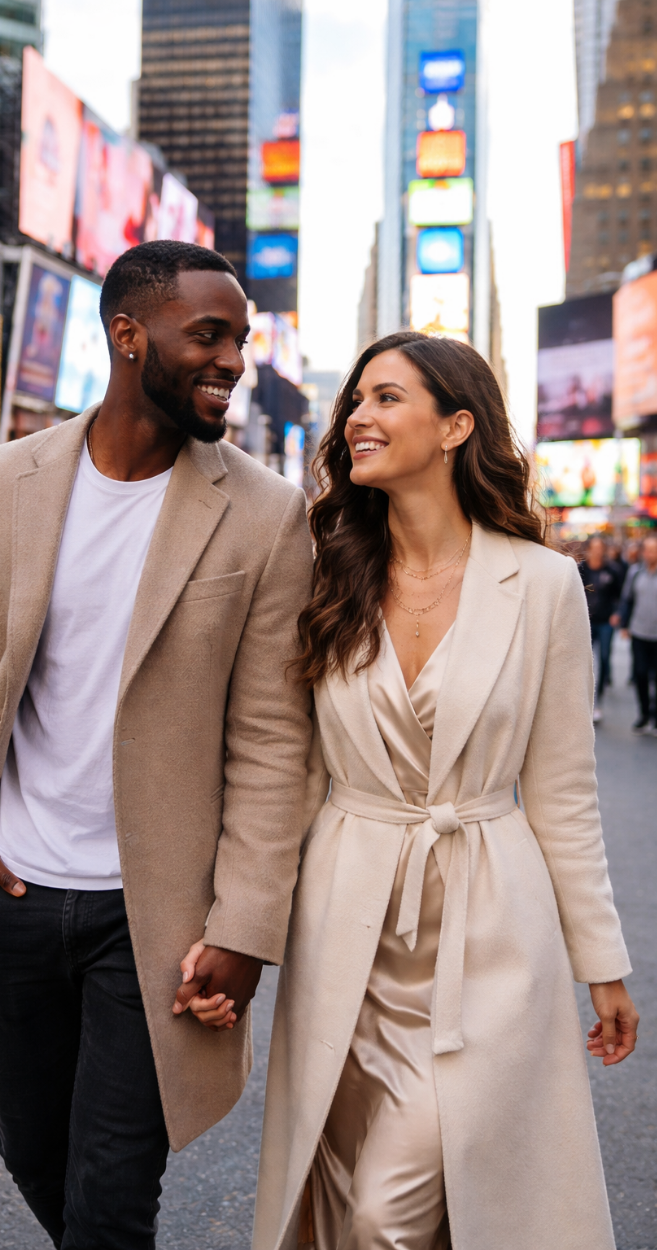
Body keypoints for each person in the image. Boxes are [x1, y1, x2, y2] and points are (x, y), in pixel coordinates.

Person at [0, 241, 314, 1249]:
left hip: (151, 922)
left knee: (110, 1202)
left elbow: (276, 741)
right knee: (39, 1159)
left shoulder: (268, 514)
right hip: (8, 894)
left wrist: (243, 926)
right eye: (208, 333)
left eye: (238, 337)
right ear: (126, 335)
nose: (230, 358)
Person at [247, 332, 637, 1250]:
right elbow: (286, 774)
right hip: (347, 925)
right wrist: (239, 929)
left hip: (491, 929)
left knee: (389, 1214)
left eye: (386, 399)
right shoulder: (322, 568)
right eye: (356, 401)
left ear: (457, 425)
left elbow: (564, 792)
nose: (358, 418)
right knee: (342, 1200)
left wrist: (602, 961)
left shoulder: (543, 585)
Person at [578, 534, 623, 723]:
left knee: (604, 657)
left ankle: (600, 695)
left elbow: (620, 595)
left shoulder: (612, 570)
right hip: (585, 621)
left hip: (605, 622)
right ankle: (585, 697)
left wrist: (617, 613)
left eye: (600, 548)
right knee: (585, 660)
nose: (597, 551)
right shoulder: (581, 570)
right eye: (594, 548)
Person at [616, 532, 657, 734]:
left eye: (652, 550)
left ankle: (655, 716)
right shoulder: (635, 572)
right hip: (639, 631)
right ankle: (644, 714)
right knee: (640, 673)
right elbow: (627, 599)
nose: (648, 554)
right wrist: (624, 624)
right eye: (647, 550)